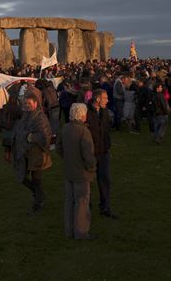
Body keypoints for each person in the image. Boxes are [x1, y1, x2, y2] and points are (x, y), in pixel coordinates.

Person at [56, 103, 97, 240]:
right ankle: (81, 232)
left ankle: (69, 230)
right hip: (81, 173)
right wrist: (92, 167)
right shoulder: (84, 131)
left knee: (69, 201)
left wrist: (67, 158)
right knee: (82, 202)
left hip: (69, 170)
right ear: (82, 115)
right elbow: (88, 154)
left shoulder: (65, 128)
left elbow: (58, 148)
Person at [10, 91, 53, 215]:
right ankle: (39, 195)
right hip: (25, 152)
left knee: (36, 179)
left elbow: (46, 136)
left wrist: (31, 137)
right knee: (22, 176)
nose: (27, 105)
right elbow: (19, 130)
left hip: (37, 153)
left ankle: (38, 203)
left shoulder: (40, 117)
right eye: (25, 103)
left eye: (29, 103)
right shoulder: (26, 115)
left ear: (35, 103)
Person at [86, 89, 117, 219]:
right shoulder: (86, 112)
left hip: (103, 152)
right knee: (87, 181)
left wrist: (107, 147)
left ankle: (105, 207)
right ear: (97, 99)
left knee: (105, 180)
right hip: (91, 153)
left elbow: (106, 130)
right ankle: (86, 207)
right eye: (105, 98)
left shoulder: (104, 111)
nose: (108, 100)